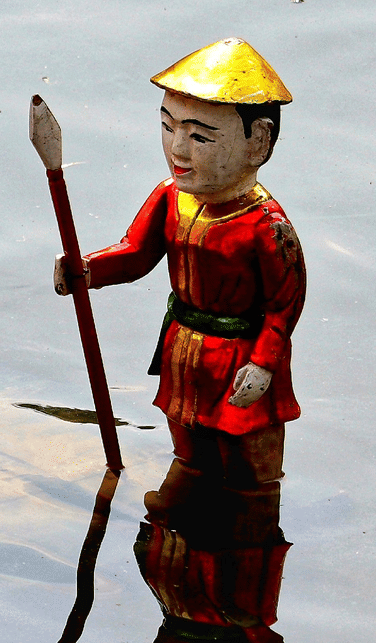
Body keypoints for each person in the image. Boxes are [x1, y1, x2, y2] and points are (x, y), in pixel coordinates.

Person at [57, 39, 305, 515]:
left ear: (259, 143)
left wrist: (265, 364)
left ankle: (241, 555)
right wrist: (86, 269)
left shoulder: (267, 226)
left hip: (241, 360)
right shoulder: (170, 198)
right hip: (184, 353)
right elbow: (134, 254)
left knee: (249, 475)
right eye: (168, 128)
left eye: (200, 137)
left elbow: (285, 304)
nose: (177, 149)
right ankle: (176, 542)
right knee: (188, 453)